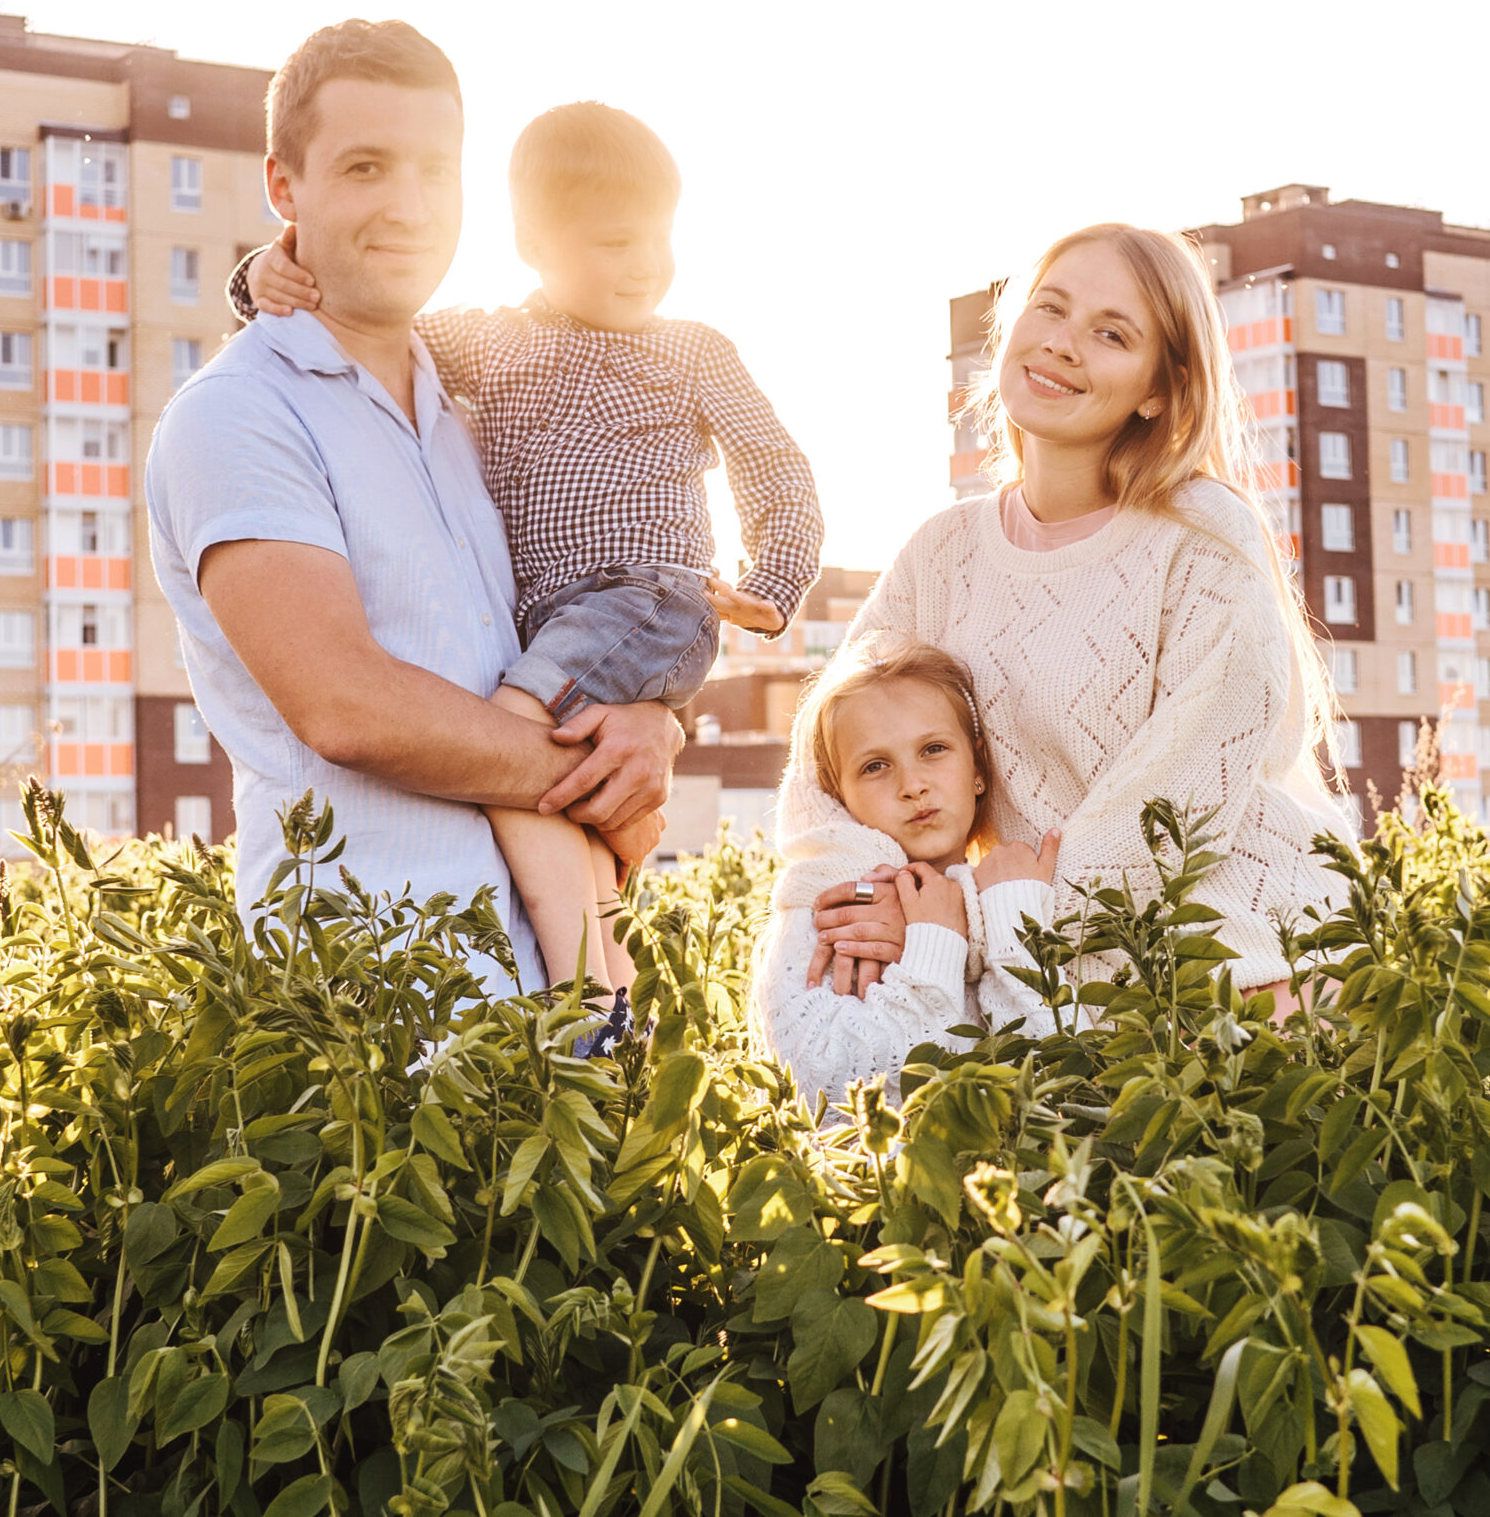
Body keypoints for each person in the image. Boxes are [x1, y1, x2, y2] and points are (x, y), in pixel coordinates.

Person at [232, 103, 823, 1016]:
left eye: (661, 238)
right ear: (534, 246)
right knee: (572, 780)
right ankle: (614, 981)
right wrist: (265, 275)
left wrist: (773, 583)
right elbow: (359, 319)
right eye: (617, 243)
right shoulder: (492, 339)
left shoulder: (694, 350)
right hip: (550, 617)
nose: (647, 265)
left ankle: (587, 996)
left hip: (644, 598)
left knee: (510, 739)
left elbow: (776, 465)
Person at [144, 21, 683, 1000]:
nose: (409, 205)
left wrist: (651, 725)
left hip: (561, 1020)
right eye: (365, 167)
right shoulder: (238, 414)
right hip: (373, 1023)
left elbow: (576, 615)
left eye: (436, 170)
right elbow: (346, 704)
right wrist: (592, 782)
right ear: (283, 188)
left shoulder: (480, 410)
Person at [796, 222, 1354, 1021]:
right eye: (1050, 309)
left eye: (1111, 333)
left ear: (1159, 389)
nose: (1062, 343)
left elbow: (1172, 811)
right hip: (1041, 980)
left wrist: (960, 917)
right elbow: (823, 759)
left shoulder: (1204, 533)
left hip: (1250, 970)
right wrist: (858, 896)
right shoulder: (940, 552)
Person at [752, 633, 1060, 1105]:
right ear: (839, 797)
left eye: (933, 749)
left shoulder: (1006, 893)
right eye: (875, 766)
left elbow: (1059, 1080)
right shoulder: (833, 916)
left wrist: (1011, 922)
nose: (912, 785)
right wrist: (935, 944)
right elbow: (824, 1091)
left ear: (978, 766)